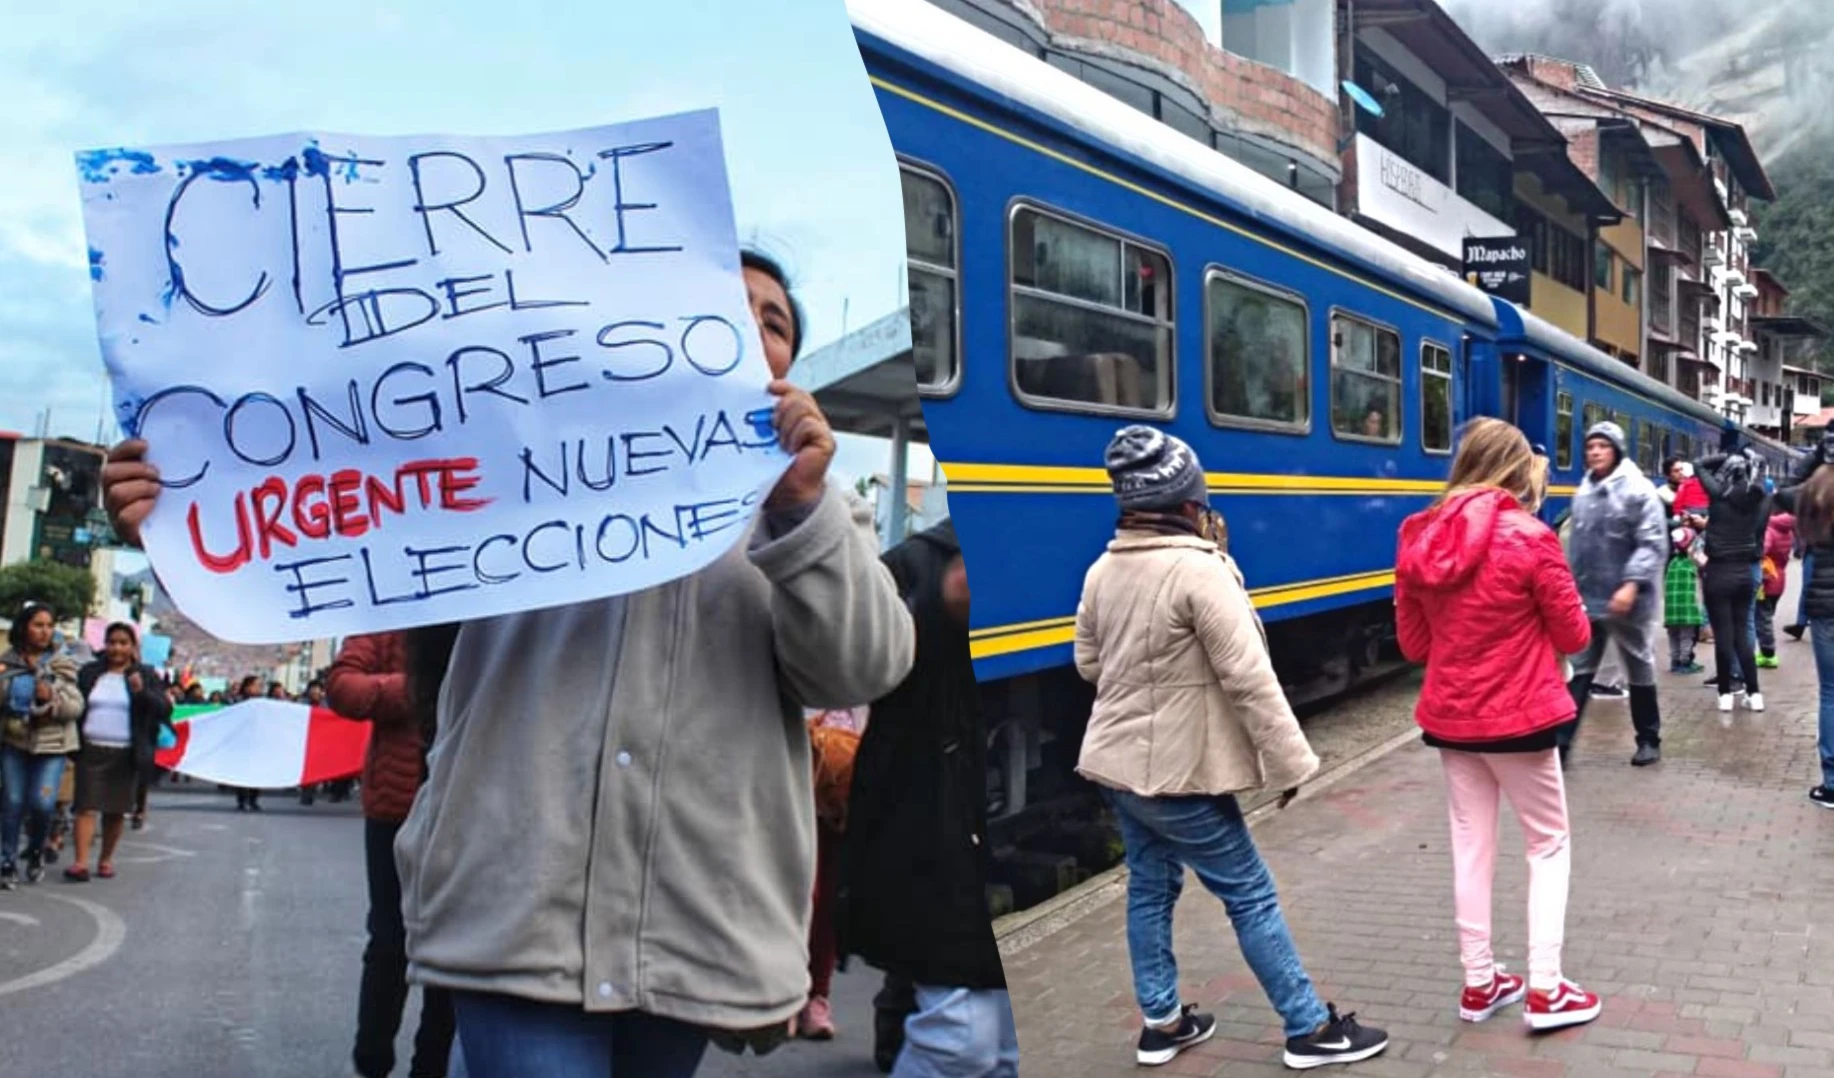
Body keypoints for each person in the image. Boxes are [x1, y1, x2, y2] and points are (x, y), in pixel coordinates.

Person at [102, 249, 915, 1078]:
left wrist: (799, 510)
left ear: (788, 366)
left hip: (696, 920)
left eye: (773, 322)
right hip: (512, 898)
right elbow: (338, 521)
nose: (747, 325)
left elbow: (862, 668)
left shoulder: (813, 505)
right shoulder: (504, 448)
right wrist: (188, 513)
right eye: (722, 303)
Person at [1073, 425, 1389, 1070]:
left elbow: (1088, 664)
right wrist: (1291, 763)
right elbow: (1249, 677)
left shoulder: (1103, 569)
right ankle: (1308, 1028)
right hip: (1178, 774)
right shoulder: (1200, 570)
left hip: (1115, 764)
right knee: (1250, 893)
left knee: (1151, 888)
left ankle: (1163, 1023)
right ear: (1188, 501)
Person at [1395, 419, 1602, 1032]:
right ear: (1516, 471)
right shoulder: (1532, 537)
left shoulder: (1417, 535)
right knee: (1548, 843)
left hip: (1452, 718)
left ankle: (1480, 981)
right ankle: (1547, 988)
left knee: (1471, 845)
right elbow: (1575, 635)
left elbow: (1414, 645)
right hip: (1521, 716)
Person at [840, 519, 1017, 1077]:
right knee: (962, 1038)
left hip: (988, 820)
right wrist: (940, 614)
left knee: (1003, 1045)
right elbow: (853, 673)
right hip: (930, 826)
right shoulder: (913, 567)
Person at [327, 631, 457, 1078]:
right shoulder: (388, 617)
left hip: (469, 804)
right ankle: (371, 1059)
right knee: (389, 940)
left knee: (457, 949)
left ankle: (431, 1067)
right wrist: (421, 688)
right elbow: (343, 687)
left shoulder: (490, 612)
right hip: (395, 805)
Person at [1559, 422, 1668, 768]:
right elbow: (1577, 544)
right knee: (1579, 668)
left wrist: (1631, 584)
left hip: (1628, 600)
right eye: (1590, 446)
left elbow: (1651, 542)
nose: (1595, 452)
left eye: (1602, 446)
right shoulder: (1585, 490)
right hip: (1589, 596)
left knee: (1638, 665)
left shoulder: (1638, 490)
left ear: (1617, 450)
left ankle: (1648, 739)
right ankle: (1560, 744)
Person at [65, 623, 172, 882]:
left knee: (115, 809)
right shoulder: (90, 672)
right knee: (85, 806)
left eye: (123, 643)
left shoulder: (146, 674)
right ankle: (80, 863)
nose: (117, 648)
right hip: (90, 749)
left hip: (126, 752)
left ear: (133, 647)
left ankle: (105, 860)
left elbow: (163, 709)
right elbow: (76, 704)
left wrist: (141, 692)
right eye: (112, 642)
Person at [0, 602, 84, 889]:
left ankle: (36, 851)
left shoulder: (62, 663)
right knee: (11, 803)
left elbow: (76, 706)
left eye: (49, 626)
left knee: (42, 803)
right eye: (38, 625)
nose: (44, 631)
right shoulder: (8, 661)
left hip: (51, 746)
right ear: (24, 627)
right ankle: (7, 862)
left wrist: (51, 699)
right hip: (14, 741)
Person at [1768, 440, 1834, 806]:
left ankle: (1832, 783)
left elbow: (1781, 491)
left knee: (1831, 693)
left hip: (1826, 606)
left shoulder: (1814, 493)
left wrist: (1815, 456)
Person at [1694, 451, 1769, 712]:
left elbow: (1699, 463)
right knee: (1742, 637)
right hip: (1745, 574)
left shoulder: (1717, 495)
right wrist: (1750, 462)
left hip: (1718, 573)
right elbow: (1760, 470)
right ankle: (1754, 694)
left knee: (1724, 637)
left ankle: (1725, 694)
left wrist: (1726, 455)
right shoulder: (1757, 496)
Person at [1760, 508, 1796, 669]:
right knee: (1768, 615)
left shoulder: (1769, 530)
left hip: (1767, 580)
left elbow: (1762, 550)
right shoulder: (1788, 531)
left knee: (1763, 619)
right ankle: (1765, 650)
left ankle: (1768, 653)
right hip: (1779, 578)